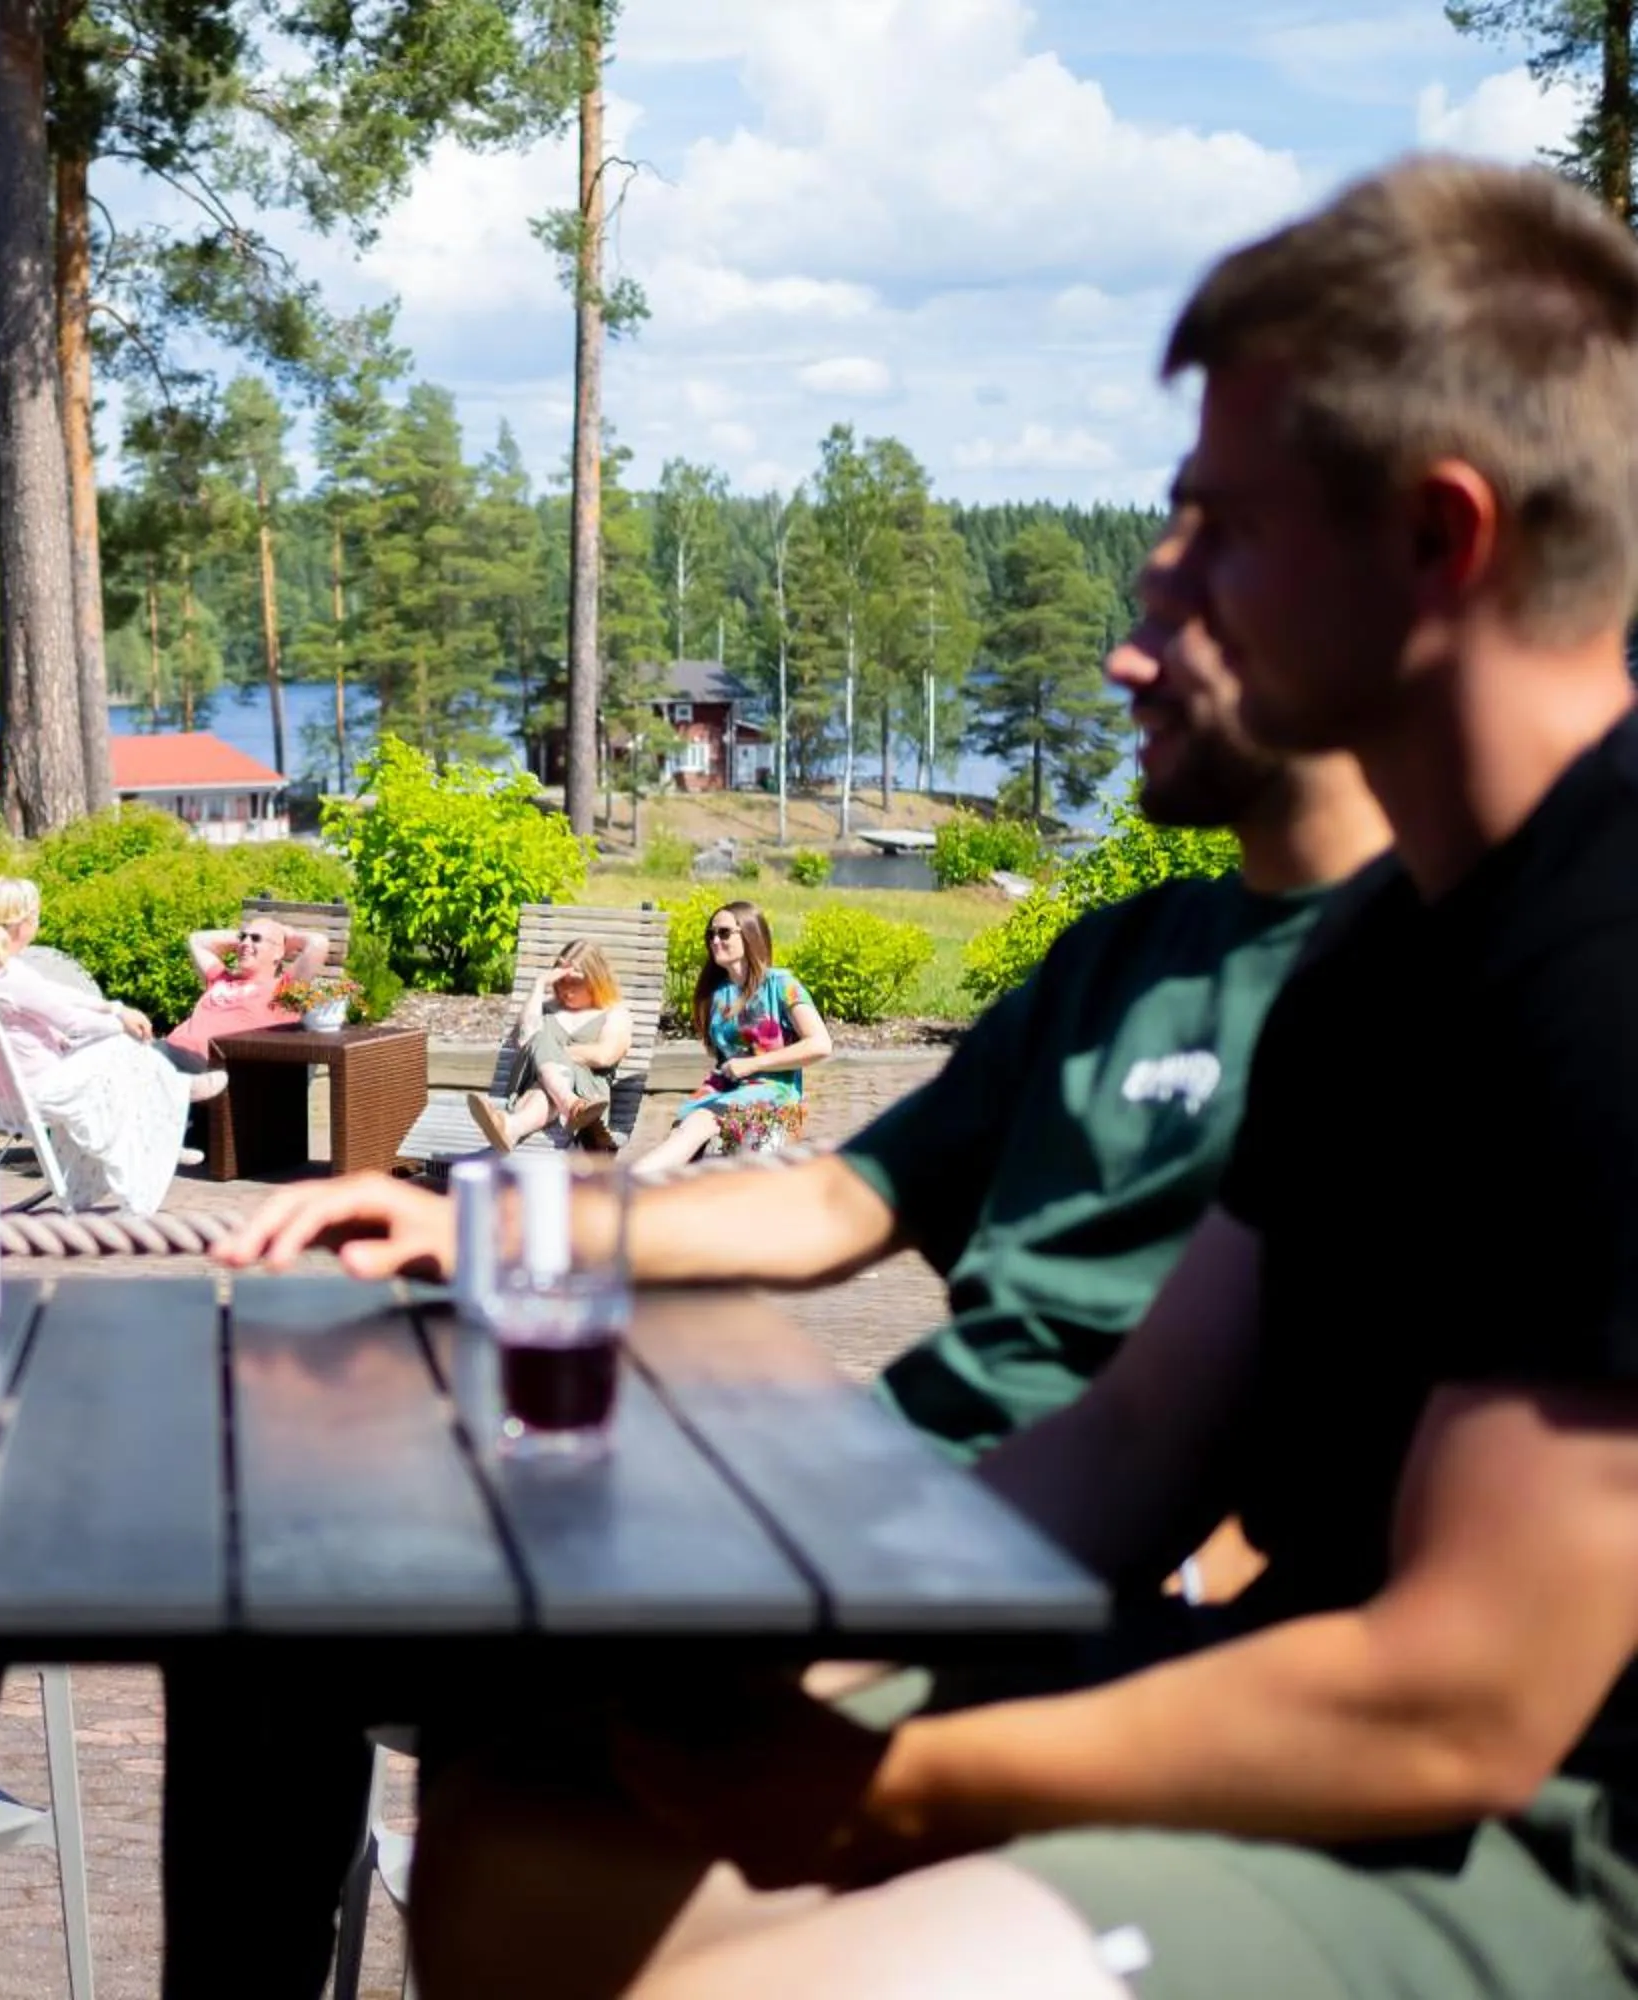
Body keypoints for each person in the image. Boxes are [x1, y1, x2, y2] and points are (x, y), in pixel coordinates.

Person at [406, 154, 1638, 2000]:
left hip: (1535, 1850)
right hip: (1271, 1719)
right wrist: (778, 1629)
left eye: (1224, 522)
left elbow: (1461, 1703)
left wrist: (891, 1782)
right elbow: (1142, 1440)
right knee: (528, 1843)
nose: (1170, 589)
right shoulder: (1388, 960)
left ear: (1439, 541)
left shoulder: (1605, 954)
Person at [183, 469, 1392, 1996]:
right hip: (885, 1496)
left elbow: (1238, 1457)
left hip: (1010, 1561)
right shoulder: (1129, 953)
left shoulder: (1420, 973)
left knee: (501, 1759)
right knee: (279, 1600)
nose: (1119, 663)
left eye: (1189, 604)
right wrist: (493, 1228)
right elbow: (841, 1199)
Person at [0, 875, 218, 1214]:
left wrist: (114, 1008)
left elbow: (51, 994)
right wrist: (120, 1024)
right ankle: (168, 1111)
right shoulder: (12, 978)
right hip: (35, 1094)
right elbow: (71, 1021)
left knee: (113, 1055)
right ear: (26, 922)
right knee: (120, 1049)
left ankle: (164, 1116)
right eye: (36, 914)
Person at [628, 904, 828, 1174]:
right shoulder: (718, 993)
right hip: (724, 1088)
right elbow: (723, 1057)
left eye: (724, 933)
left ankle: (625, 1185)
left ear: (749, 935)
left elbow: (820, 1045)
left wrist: (753, 1065)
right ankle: (635, 1188)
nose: (714, 941)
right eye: (710, 935)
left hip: (774, 1091)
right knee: (688, 1133)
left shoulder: (780, 984)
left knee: (699, 1128)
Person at [465, 939, 636, 1153]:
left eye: (575, 982)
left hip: (589, 1098)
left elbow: (604, 1055)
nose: (566, 990)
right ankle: (562, 1108)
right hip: (569, 1107)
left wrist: (548, 1058)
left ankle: (513, 1124)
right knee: (540, 1058)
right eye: (561, 981)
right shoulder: (545, 1009)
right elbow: (523, 1038)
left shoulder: (615, 1013)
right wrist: (539, 984)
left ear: (596, 981)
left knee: (542, 1049)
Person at [163, 912, 330, 1072]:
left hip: (203, 1070)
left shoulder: (284, 991)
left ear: (278, 953)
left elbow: (319, 943)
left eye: (256, 939)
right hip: (167, 1055)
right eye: (242, 938)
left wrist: (286, 935)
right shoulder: (221, 978)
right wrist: (248, 938)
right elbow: (197, 940)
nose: (244, 943)